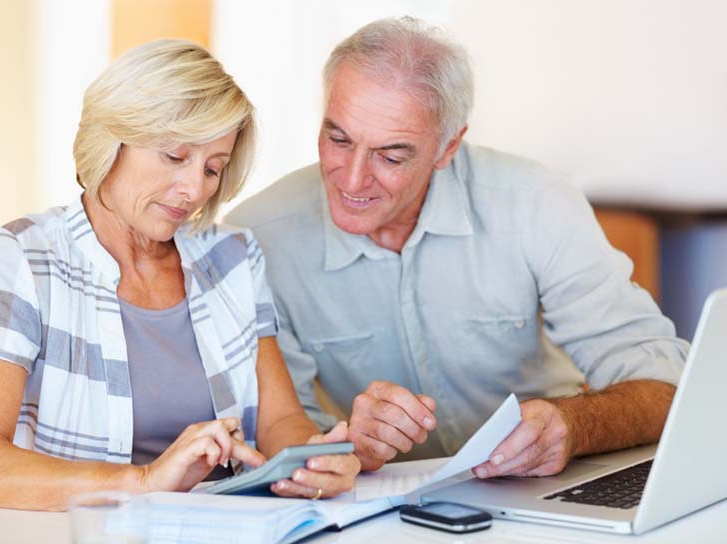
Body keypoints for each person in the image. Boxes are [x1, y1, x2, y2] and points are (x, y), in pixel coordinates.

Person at [227, 17, 689, 476]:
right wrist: (347, 446)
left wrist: (574, 423)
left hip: (547, 487)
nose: (351, 179)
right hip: (379, 507)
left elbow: (668, 387)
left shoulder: (534, 202)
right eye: (338, 138)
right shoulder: (258, 238)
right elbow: (280, 433)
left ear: (449, 147)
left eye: (391, 156)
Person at [0, 39, 359, 511]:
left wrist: (311, 460)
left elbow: (279, 421)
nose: (194, 189)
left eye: (214, 168)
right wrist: (145, 481)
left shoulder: (232, 256)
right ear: (114, 141)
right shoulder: (26, 256)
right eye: (174, 156)